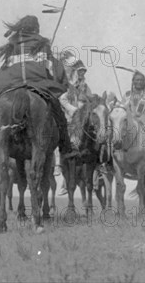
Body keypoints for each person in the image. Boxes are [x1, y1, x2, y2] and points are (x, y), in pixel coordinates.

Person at [0, 15, 72, 179]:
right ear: (36, 29)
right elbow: (55, 71)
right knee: (57, 110)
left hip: (10, 84)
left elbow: (3, 70)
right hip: (37, 84)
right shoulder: (42, 44)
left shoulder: (12, 46)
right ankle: (65, 145)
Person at [58, 59, 92, 195]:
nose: (81, 73)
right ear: (76, 73)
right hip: (70, 119)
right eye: (80, 71)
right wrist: (73, 109)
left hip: (82, 120)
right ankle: (58, 166)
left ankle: (101, 164)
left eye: (83, 71)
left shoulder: (86, 86)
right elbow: (62, 99)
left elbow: (90, 99)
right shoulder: (70, 87)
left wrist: (87, 105)